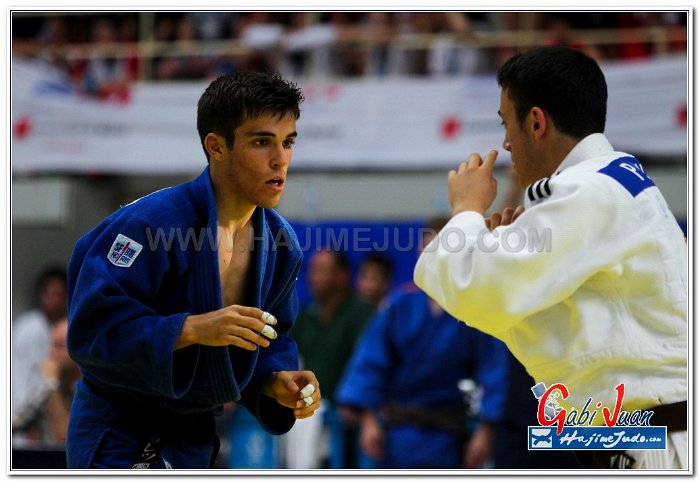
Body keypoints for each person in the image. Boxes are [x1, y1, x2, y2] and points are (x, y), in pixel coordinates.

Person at [413, 46, 687, 470]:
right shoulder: (608, 181)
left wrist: (466, 210)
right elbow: (517, 311)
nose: (506, 143)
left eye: (506, 123)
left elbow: (476, 289)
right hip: (633, 435)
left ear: (536, 122)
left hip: (657, 442)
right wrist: (493, 248)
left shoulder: (589, 191)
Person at [66, 71, 321, 469]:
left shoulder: (281, 245)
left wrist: (276, 381)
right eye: (261, 142)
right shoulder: (152, 224)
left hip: (192, 437)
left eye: (288, 142)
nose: (280, 159)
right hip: (120, 428)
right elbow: (91, 329)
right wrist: (191, 329)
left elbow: (271, 339)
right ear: (216, 146)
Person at [335, 218, 508, 469]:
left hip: (450, 433)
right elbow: (371, 362)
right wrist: (369, 419)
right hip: (396, 433)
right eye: (426, 250)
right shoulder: (399, 305)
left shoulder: (472, 309)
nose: (431, 259)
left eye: (438, 250)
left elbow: (494, 370)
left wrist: (486, 431)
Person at [287, 249, 374, 468]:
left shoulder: (361, 312)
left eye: (321, 271)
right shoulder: (305, 317)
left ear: (342, 275)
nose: (313, 277)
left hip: (350, 425)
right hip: (312, 419)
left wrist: (353, 399)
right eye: (311, 271)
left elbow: (368, 362)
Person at [12, 266, 68, 439]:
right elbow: (21, 376)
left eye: (57, 293)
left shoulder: (68, 326)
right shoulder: (28, 327)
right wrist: (23, 419)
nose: (51, 352)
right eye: (48, 293)